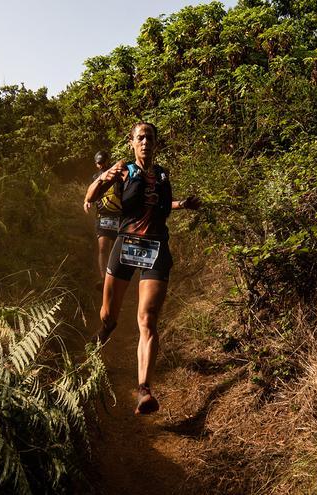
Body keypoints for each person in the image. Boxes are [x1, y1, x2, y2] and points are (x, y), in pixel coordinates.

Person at [84, 122, 201, 415]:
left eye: (150, 137)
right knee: (109, 315)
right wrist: (101, 181)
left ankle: (144, 390)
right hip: (125, 246)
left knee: (147, 320)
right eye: (140, 137)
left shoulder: (162, 175)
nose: (145, 141)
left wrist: (182, 204)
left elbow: (159, 206)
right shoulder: (123, 170)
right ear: (132, 143)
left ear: (156, 143)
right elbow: (92, 196)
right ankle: (103, 333)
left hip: (156, 248)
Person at [84, 150, 121, 286]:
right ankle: (103, 278)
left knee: (115, 251)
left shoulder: (118, 174)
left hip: (118, 217)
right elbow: (90, 192)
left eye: (103, 162)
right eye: (98, 163)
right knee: (103, 249)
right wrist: (87, 201)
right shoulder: (95, 177)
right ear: (96, 164)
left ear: (108, 160)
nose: (101, 165)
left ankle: (114, 278)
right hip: (102, 216)